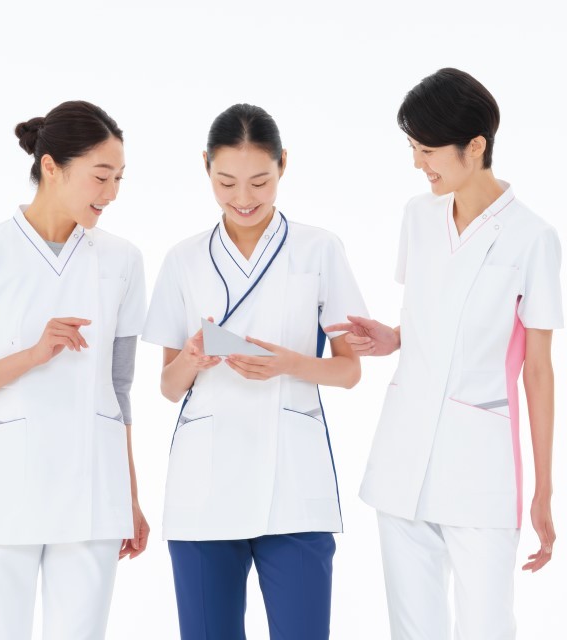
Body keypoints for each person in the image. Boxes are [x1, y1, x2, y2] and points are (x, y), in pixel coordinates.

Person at [326, 68, 563, 639]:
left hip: (479, 465)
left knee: (486, 627)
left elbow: (537, 370)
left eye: (428, 150)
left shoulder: (533, 238)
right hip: (404, 452)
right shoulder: (420, 215)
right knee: (412, 629)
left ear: (475, 146)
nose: (418, 163)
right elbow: (432, 315)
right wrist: (393, 337)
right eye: (413, 148)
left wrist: (543, 489)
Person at [141, 103, 368, 640]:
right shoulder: (183, 259)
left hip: (292, 482)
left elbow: (349, 372)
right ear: (205, 166)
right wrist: (192, 358)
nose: (243, 198)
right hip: (204, 485)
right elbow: (168, 387)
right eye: (226, 182)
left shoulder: (318, 249)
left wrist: (288, 365)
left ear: (284, 163)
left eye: (260, 182)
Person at [0, 100, 149, 640]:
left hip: (94, 492)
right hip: (4, 489)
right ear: (51, 166)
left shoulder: (123, 260)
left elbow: (119, 389)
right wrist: (34, 354)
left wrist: (131, 497)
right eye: (101, 176)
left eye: (119, 178)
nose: (112, 193)